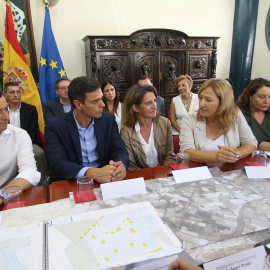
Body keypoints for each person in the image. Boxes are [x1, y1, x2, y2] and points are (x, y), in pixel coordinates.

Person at [45, 76, 129, 183]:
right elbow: (57, 163)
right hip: (71, 183)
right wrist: (91, 172)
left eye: (101, 99)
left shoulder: (108, 120)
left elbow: (120, 150)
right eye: (95, 101)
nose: (102, 105)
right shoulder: (55, 125)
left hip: (106, 179)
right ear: (78, 104)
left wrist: (120, 165)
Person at [180, 78, 257, 163]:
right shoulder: (189, 119)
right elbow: (186, 151)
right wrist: (217, 156)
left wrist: (236, 155)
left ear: (223, 103)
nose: (201, 104)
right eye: (201, 98)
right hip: (201, 170)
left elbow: (251, 143)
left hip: (229, 170)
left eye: (208, 100)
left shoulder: (235, 115)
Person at [121, 84, 175, 170]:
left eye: (154, 101)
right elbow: (131, 165)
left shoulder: (165, 123)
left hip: (163, 176)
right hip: (141, 178)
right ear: (135, 107)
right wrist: (150, 179)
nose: (155, 106)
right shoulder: (126, 132)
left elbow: (170, 156)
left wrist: (162, 176)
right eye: (148, 103)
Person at [0, 91, 40, 204]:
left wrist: (2, 195)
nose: (6, 117)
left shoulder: (19, 135)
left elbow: (29, 171)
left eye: (6, 109)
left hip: (8, 197)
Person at [4, 82, 48, 179]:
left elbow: (32, 132)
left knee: (39, 153)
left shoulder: (30, 109)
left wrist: (22, 146)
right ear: (5, 94)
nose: (16, 95)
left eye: (18, 92)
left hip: (27, 142)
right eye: (12, 92)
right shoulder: (2, 110)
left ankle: (42, 181)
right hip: (5, 143)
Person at [236, 78, 270, 151]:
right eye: (262, 97)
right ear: (250, 97)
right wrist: (261, 145)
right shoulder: (239, 113)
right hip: (244, 157)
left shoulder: (268, 114)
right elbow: (243, 141)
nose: (267, 101)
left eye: (269, 97)